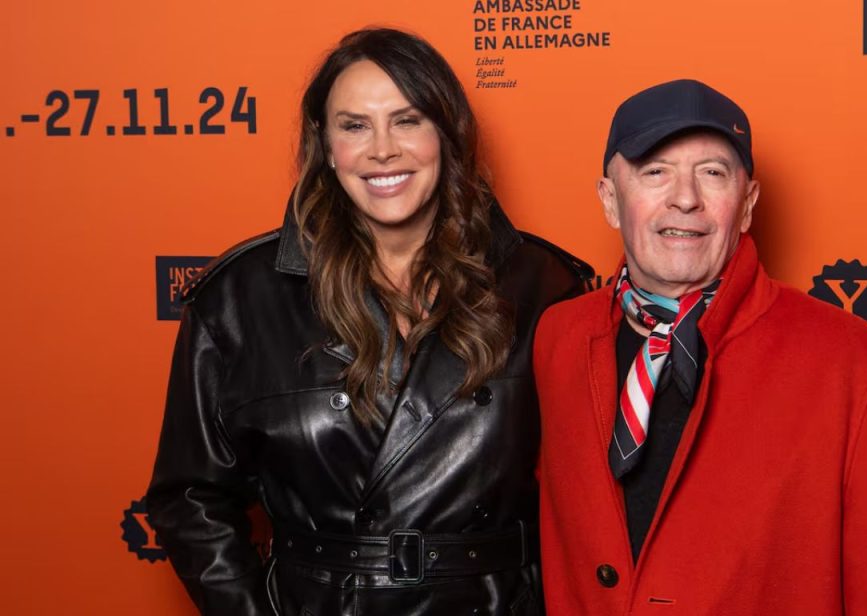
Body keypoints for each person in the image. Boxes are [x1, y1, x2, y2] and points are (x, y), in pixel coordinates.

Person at [146, 28, 590, 616]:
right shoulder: (240, 297)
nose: (382, 150)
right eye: (355, 126)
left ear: (446, 135)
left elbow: (590, 498)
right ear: (327, 147)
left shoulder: (544, 285)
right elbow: (189, 498)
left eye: (407, 121)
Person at [534, 79, 867, 614]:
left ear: (746, 205)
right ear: (610, 200)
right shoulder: (557, 338)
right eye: (655, 172)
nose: (685, 198)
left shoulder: (856, 365)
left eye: (712, 173)